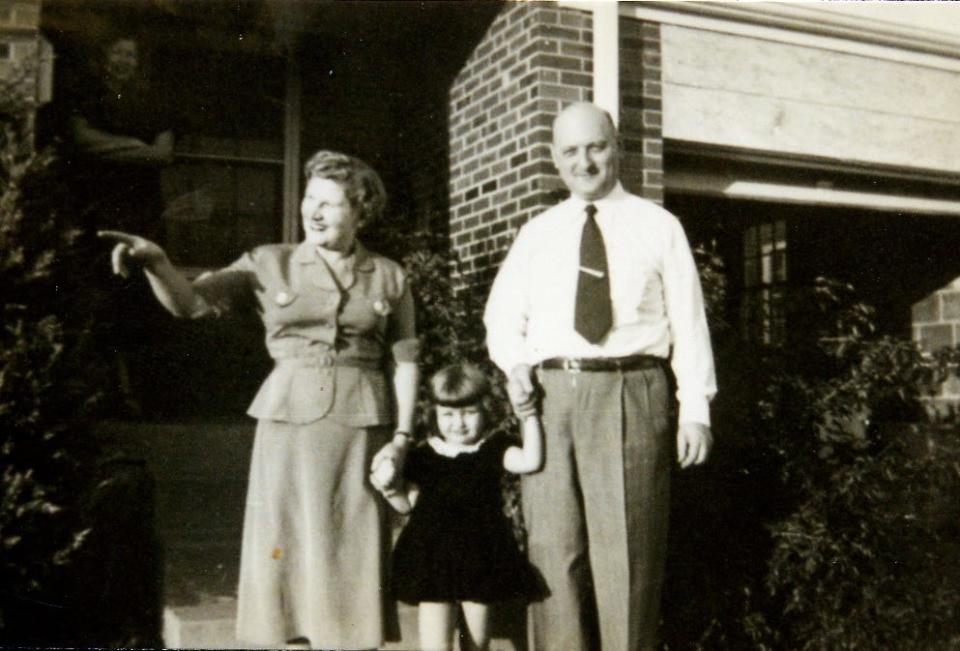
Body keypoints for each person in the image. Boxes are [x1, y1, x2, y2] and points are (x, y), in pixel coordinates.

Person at [99, 150, 419, 649]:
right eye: (310, 199)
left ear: (360, 211)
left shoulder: (389, 275)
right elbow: (189, 303)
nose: (313, 211)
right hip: (288, 423)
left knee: (349, 551)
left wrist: (402, 437)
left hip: (360, 426)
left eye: (330, 204)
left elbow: (404, 360)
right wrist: (157, 263)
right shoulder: (270, 262)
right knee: (287, 549)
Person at [483, 102, 717, 651]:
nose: (584, 161)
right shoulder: (537, 233)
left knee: (628, 559)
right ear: (554, 160)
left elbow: (689, 323)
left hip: (632, 391)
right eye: (570, 151)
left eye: (596, 147)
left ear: (617, 148)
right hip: (552, 397)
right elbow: (500, 317)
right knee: (552, 555)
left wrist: (696, 412)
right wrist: (516, 365)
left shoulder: (659, 226)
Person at [370, 364, 543, 651]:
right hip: (432, 558)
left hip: (481, 556)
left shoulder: (493, 448)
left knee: (476, 644)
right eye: (447, 414)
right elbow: (407, 505)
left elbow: (531, 461)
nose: (458, 423)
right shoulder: (423, 455)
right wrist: (388, 488)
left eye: (468, 413)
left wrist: (529, 415)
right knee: (435, 647)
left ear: (485, 411)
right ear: (434, 414)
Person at [65, 33, 176, 414]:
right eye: (118, 53)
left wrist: (112, 147)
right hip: (97, 209)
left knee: (138, 297)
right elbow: (81, 140)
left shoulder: (151, 103)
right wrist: (133, 145)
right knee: (97, 297)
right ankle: (97, 394)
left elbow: (163, 153)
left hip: (141, 213)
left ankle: (137, 397)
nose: (124, 61)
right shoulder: (87, 95)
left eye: (131, 54)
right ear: (104, 57)